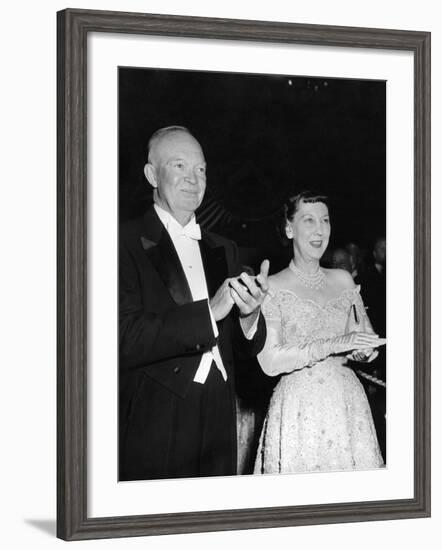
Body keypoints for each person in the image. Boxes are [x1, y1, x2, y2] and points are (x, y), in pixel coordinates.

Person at [119, 126, 269, 481]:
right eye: (179, 166)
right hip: (155, 416)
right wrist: (209, 313)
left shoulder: (224, 248)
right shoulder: (119, 241)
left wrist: (250, 315)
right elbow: (122, 337)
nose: (193, 179)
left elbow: (242, 347)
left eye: (200, 169)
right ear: (152, 174)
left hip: (219, 411)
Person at [254, 191, 385, 475]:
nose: (319, 229)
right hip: (298, 409)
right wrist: (336, 343)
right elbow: (270, 361)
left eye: (325, 220)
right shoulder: (272, 286)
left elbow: (363, 338)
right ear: (289, 228)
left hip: (347, 404)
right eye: (309, 220)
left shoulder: (343, 279)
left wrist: (363, 351)